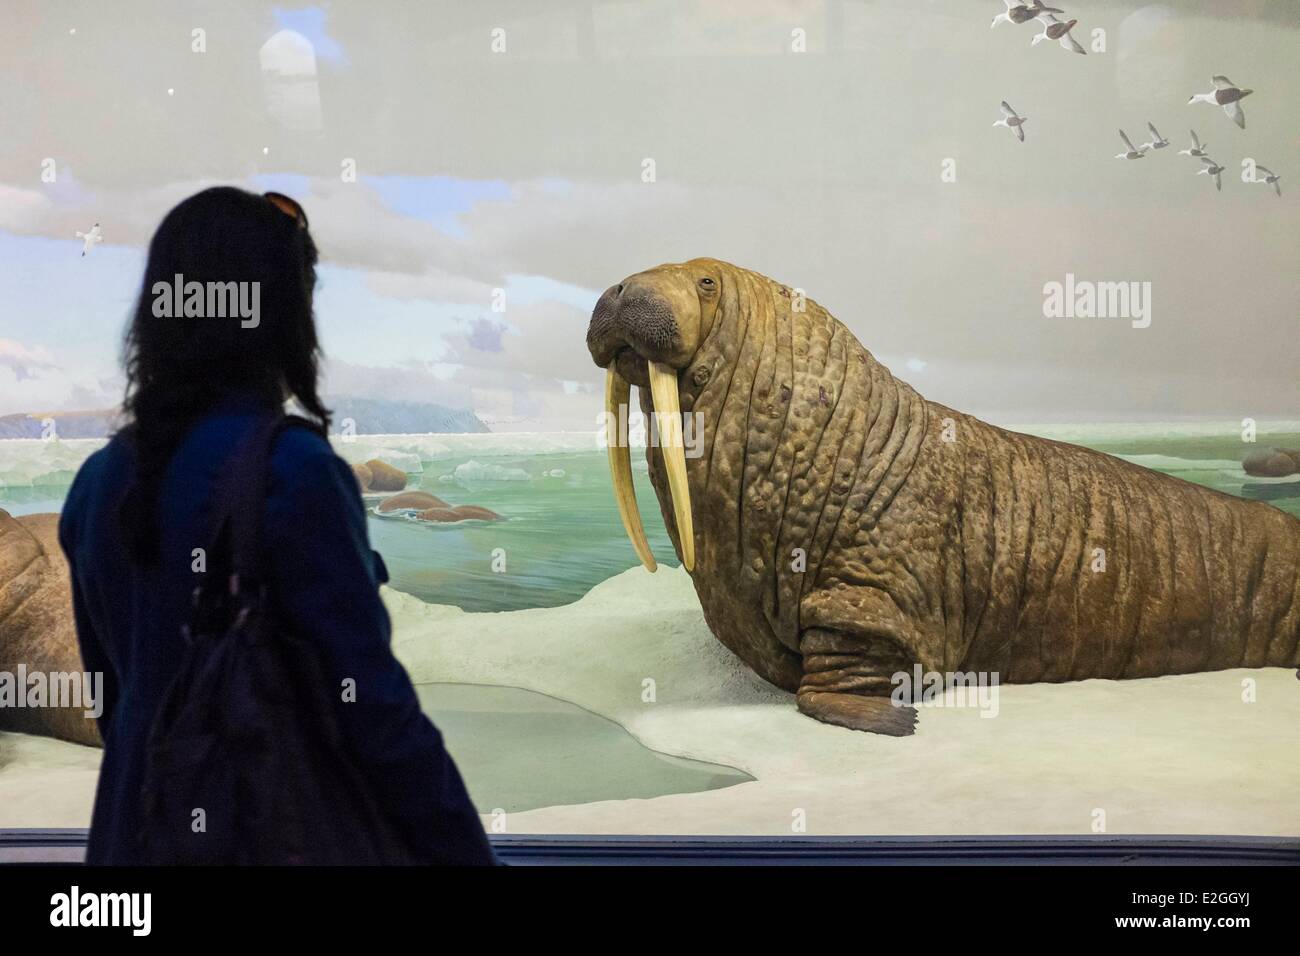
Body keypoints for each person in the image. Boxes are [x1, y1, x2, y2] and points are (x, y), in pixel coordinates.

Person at [57, 186, 494, 865]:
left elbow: (115, 705)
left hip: (132, 841)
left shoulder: (97, 483)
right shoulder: (294, 473)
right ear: (280, 314)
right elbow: (373, 710)